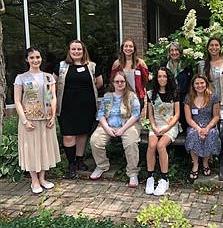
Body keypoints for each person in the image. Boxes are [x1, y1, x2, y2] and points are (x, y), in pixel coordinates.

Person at [14, 47, 61, 194]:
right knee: (31, 149)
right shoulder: (21, 78)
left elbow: (53, 98)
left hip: (46, 120)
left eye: (38, 57)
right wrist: (24, 121)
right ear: (27, 60)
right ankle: (34, 179)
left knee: (45, 148)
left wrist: (53, 117)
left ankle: (42, 178)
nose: (35, 60)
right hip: (30, 121)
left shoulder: (49, 77)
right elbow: (17, 101)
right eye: (32, 57)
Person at [54, 40, 103, 179]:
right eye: (73, 49)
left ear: (83, 51)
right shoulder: (61, 66)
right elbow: (53, 83)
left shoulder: (92, 66)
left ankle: (80, 160)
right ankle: (71, 164)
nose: (76, 52)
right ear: (69, 51)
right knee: (69, 136)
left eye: (79, 49)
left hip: (86, 107)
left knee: (82, 134)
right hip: (66, 108)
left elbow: (99, 83)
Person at [89, 71, 141, 187]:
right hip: (108, 125)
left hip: (127, 125)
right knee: (95, 141)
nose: (119, 83)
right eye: (117, 81)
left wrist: (123, 129)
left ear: (125, 82)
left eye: (122, 81)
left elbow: (136, 115)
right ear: (113, 83)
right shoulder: (108, 97)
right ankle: (102, 165)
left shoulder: (131, 96)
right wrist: (107, 128)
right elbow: (101, 114)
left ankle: (133, 173)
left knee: (131, 143)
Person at [198, 37, 223, 172]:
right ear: (208, 48)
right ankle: (212, 154)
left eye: (216, 45)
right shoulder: (202, 65)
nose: (214, 48)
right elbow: (200, 83)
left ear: (220, 47)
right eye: (211, 45)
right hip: (210, 102)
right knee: (211, 128)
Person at [145, 67, 180, 196]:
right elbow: (151, 115)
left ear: (168, 77)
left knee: (160, 145)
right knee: (152, 145)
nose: (162, 79)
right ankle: (150, 177)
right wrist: (154, 127)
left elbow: (177, 115)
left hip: (170, 125)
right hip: (156, 125)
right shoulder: (150, 94)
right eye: (159, 76)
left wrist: (167, 127)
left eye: (164, 76)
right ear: (156, 78)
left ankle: (164, 179)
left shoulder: (174, 93)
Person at [184, 74, 221, 181]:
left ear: (206, 84)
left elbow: (216, 116)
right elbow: (188, 119)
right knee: (192, 134)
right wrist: (199, 129)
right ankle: (195, 164)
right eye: (197, 83)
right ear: (193, 85)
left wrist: (207, 128)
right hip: (194, 125)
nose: (199, 85)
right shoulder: (188, 98)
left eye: (202, 83)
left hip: (209, 125)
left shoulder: (213, 97)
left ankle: (205, 163)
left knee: (211, 134)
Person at [161, 42, 193, 132]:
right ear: (169, 52)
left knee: (184, 123)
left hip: (184, 99)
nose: (174, 52)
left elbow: (191, 83)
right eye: (171, 50)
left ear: (180, 52)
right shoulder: (164, 66)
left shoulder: (187, 66)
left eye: (176, 50)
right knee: (169, 122)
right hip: (169, 98)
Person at [111, 38, 149, 111]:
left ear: (134, 49)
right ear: (122, 48)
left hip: (137, 97)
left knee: (136, 120)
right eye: (126, 46)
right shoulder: (117, 64)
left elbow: (145, 80)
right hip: (121, 98)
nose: (128, 48)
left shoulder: (140, 63)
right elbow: (113, 80)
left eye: (131, 46)